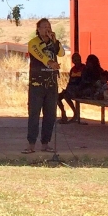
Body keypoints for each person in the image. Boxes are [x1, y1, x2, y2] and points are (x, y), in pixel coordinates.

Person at [22, 18, 65, 154]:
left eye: (49, 26)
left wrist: (55, 41)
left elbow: (62, 53)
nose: (47, 29)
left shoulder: (53, 42)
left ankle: (45, 143)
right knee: (34, 114)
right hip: (37, 84)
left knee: (50, 115)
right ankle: (31, 144)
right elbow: (41, 56)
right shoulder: (33, 43)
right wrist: (50, 63)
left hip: (51, 83)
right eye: (44, 27)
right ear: (38, 29)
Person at [58, 53, 84, 123]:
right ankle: (63, 115)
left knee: (66, 96)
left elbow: (84, 81)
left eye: (78, 59)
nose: (77, 61)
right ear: (73, 61)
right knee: (57, 97)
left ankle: (75, 114)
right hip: (71, 89)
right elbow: (70, 81)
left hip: (79, 89)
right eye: (75, 60)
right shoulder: (72, 69)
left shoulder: (84, 68)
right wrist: (67, 89)